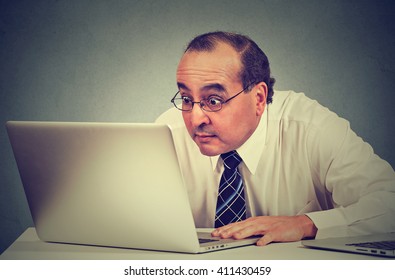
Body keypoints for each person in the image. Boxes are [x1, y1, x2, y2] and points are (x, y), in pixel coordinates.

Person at [156, 31, 395, 246]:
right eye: (187, 98)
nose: (195, 118)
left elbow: (389, 205)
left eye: (214, 101)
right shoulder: (166, 134)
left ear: (259, 98)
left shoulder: (311, 128)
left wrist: (306, 224)